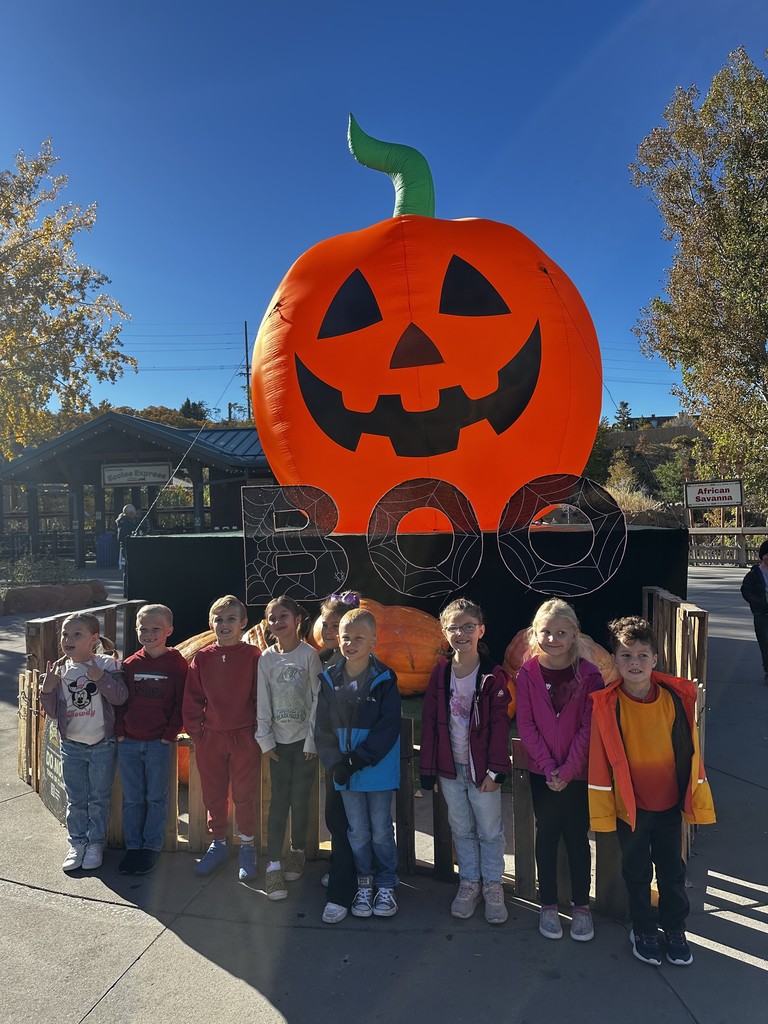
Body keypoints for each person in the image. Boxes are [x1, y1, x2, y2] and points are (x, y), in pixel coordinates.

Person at [589, 616, 716, 967]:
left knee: (673, 872)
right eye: (626, 655)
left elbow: (688, 755)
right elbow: (601, 762)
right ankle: (643, 928)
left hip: (669, 807)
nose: (634, 663)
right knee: (636, 871)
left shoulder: (676, 700)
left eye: (642, 655)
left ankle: (674, 927)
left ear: (655, 659)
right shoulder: (607, 706)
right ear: (614, 660)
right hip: (631, 810)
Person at [516, 599, 604, 941]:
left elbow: (588, 725)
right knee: (547, 834)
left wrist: (568, 769)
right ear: (535, 633)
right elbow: (525, 724)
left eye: (561, 633)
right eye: (546, 632)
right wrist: (550, 767)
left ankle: (581, 906)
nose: (552, 638)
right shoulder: (527, 672)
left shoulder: (590, 675)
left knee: (578, 837)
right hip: (542, 772)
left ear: (574, 635)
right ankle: (548, 904)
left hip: (577, 773)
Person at [419, 597, 511, 925]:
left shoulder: (492, 676)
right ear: (444, 632)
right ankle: (469, 882)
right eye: (454, 627)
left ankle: (493, 885)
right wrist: (428, 770)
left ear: (481, 630)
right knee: (462, 828)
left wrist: (497, 770)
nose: (461, 633)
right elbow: (431, 720)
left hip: (482, 769)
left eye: (468, 627)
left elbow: (501, 726)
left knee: (489, 830)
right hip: (450, 767)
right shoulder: (441, 673)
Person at [314, 607, 401, 919]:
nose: (351, 643)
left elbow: (389, 726)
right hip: (345, 772)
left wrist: (359, 758)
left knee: (379, 830)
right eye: (346, 637)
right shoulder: (329, 679)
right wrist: (336, 761)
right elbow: (322, 727)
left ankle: (387, 882)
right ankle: (364, 882)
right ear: (338, 639)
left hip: (375, 769)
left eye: (359, 638)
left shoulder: (385, 679)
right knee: (357, 831)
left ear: (374, 641)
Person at [39, 614, 127, 872]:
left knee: (98, 798)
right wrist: (46, 690)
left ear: (94, 639)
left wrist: (101, 677)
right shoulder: (59, 669)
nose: (68, 639)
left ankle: (95, 844)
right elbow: (54, 713)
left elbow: (120, 698)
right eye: (65, 634)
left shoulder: (108, 665)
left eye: (77, 634)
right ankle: (77, 842)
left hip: (102, 744)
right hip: (72, 747)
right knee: (76, 798)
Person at [182, 595, 261, 881]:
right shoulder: (203, 658)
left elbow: (260, 697)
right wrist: (197, 732)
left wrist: (257, 732)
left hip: (244, 735)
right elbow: (192, 698)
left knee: (244, 793)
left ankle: (248, 846)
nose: (224, 624)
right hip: (211, 737)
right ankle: (219, 843)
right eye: (218, 619)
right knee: (214, 793)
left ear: (243, 623)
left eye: (231, 619)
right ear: (210, 623)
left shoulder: (254, 656)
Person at [256, 595, 322, 901]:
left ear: (297, 620)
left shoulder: (309, 655)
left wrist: (312, 740)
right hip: (278, 745)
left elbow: (317, 699)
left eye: (284, 616)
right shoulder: (266, 659)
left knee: (301, 799)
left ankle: (297, 850)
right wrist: (265, 740)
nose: (278, 622)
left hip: (303, 744)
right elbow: (263, 701)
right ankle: (273, 864)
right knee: (279, 801)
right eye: (272, 618)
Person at [115, 603, 187, 875]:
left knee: (156, 797)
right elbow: (121, 701)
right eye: (143, 629)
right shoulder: (130, 664)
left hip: (159, 742)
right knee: (133, 798)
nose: (148, 634)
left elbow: (181, 702)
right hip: (130, 741)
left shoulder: (177, 664)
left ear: (169, 630)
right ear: (136, 630)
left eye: (155, 629)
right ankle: (133, 847)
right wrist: (120, 731)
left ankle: (150, 848)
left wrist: (170, 734)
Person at [315, 591, 361, 923]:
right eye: (326, 623)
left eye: (337, 625)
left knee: (352, 822)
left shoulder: (359, 665)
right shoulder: (321, 659)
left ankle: (345, 888)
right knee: (335, 818)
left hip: (356, 756)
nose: (330, 630)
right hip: (332, 754)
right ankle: (342, 866)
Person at [739, 540, 768, 684]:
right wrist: (757, 602)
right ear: (762, 556)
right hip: (761, 614)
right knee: (765, 644)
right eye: (766, 554)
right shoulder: (755, 573)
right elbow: (745, 590)